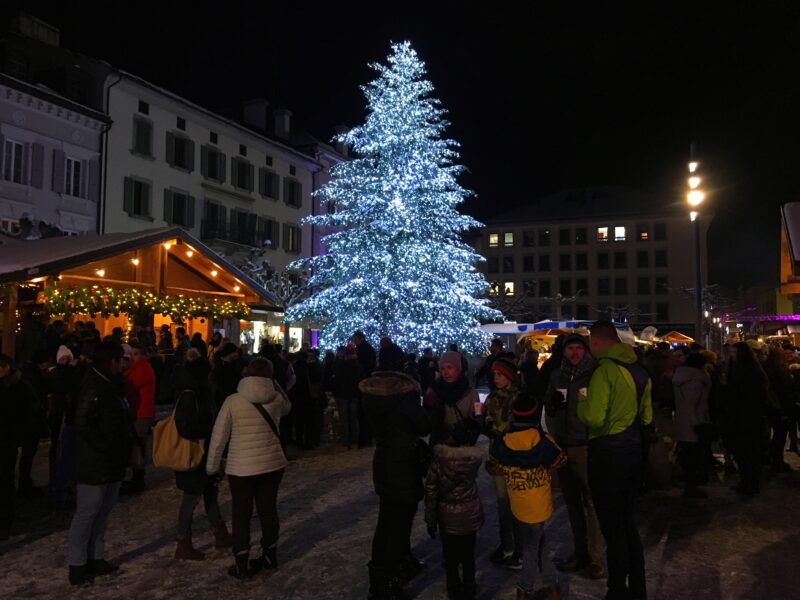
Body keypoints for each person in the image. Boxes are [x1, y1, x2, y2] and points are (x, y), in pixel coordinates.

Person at [577, 321, 652, 600]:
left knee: (613, 529)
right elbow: (646, 419)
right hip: (633, 454)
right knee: (629, 524)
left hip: (607, 455)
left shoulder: (604, 372)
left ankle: (617, 590)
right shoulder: (641, 372)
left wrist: (583, 402)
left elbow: (595, 418)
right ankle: (638, 589)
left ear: (596, 342)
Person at [206, 358, 291, 579]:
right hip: (272, 464)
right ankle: (270, 554)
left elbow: (219, 437)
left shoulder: (233, 401)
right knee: (268, 510)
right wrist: (276, 385)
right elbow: (288, 407)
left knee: (241, 514)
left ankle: (241, 562)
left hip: (242, 467)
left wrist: (212, 467)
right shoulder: (276, 400)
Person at [67, 341, 135, 585]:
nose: (126, 364)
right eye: (123, 360)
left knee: (102, 512)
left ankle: (95, 557)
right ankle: (77, 564)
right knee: (87, 513)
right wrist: (106, 446)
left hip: (109, 459)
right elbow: (84, 423)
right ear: (113, 361)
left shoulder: (111, 385)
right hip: (95, 461)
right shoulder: (94, 385)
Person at [361, 370, 432, 599]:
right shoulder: (405, 399)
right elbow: (424, 426)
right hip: (403, 464)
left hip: (383, 461)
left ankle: (382, 575)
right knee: (399, 523)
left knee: (387, 520)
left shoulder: (372, 399)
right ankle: (389, 580)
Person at [490, 392, 566, 600]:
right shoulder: (543, 441)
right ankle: (526, 588)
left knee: (536, 542)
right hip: (539, 502)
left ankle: (551, 587)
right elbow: (560, 459)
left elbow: (494, 466)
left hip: (519, 502)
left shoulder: (503, 441)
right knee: (533, 545)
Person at [543, 333, 605, 579]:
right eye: (571, 349)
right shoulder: (558, 374)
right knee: (572, 504)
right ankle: (580, 553)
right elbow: (548, 403)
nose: (575, 353)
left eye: (579, 348)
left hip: (585, 445)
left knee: (591, 503)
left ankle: (596, 557)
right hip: (562, 445)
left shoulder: (594, 374)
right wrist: (553, 405)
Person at [171, 349, 231, 560]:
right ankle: (183, 541)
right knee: (191, 498)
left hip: (204, 451)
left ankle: (220, 532)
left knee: (210, 493)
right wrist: (208, 429)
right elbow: (186, 427)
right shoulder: (191, 394)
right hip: (194, 452)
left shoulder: (199, 392)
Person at [424, 419, 485, 600]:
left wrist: (430, 518)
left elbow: (431, 491)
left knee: (450, 557)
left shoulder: (439, 461)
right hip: (468, 514)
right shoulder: (472, 461)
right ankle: (469, 587)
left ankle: (453, 588)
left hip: (447, 516)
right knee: (468, 556)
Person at [481, 356, 525, 568]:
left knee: (515, 503)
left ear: (508, 376)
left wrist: (496, 428)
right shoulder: (492, 398)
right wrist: (483, 421)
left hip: (514, 456)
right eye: (494, 375)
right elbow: (488, 419)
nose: (495, 378)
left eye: (499, 375)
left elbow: (516, 424)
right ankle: (506, 544)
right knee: (502, 504)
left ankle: (520, 548)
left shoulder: (519, 397)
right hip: (497, 455)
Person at [0, 354, 39, 539]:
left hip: (8, 440)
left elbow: (29, 413)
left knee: (5, 480)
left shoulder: (21, 387)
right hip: (7, 437)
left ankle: (5, 521)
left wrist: (18, 433)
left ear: (7, 367)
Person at [727, 342, 770, 495]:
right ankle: (746, 481)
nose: (731, 355)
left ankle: (751, 482)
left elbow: (756, 397)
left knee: (749, 452)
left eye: (734, 352)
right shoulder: (736, 370)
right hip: (740, 417)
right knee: (742, 452)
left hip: (749, 418)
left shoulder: (751, 373)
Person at [673, 352, 712, 498]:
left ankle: (690, 484)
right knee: (693, 456)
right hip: (693, 422)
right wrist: (698, 423)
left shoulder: (681, 376)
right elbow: (692, 403)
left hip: (683, 421)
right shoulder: (695, 380)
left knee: (688, 454)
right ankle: (692, 487)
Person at [122, 341, 156, 494]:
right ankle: (136, 476)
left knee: (138, 444)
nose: (133, 357)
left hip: (142, 412)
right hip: (136, 410)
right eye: (132, 354)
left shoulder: (143, 369)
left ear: (143, 355)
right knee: (136, 444)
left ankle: (138, 478)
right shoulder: (135, 368)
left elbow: (129, 386)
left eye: (136, 354)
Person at [424, 351, 478, 447]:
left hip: (462, 448)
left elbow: (477, 421)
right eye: (442, 368)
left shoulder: (471, 393)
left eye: (449, 367)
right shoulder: (434, 390)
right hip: (439, 447)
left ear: (458, 369)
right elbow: (427, 423)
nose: (446, 372)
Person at [334, 345, 362, 448]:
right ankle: (355, 438)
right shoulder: (357, 365)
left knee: (344, 418)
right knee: (354, 418)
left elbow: (337, 377)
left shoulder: (341, 364)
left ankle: (345, 439)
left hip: (343, 393)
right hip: (354, 393)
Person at [353, 331, 377, 447]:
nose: (354, 341)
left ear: (360, 338)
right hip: (366, 383)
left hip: (363, 383)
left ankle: (364, 439)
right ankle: (367, 438)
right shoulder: (366, 349)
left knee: (362, 413)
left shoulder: (362, 351)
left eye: (355, 339)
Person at [210, 342, 245, 410]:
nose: (237, 354)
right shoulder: (221, 366)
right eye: (235, 352)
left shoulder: (231, 363)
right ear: (230, 352)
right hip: (223, 398)